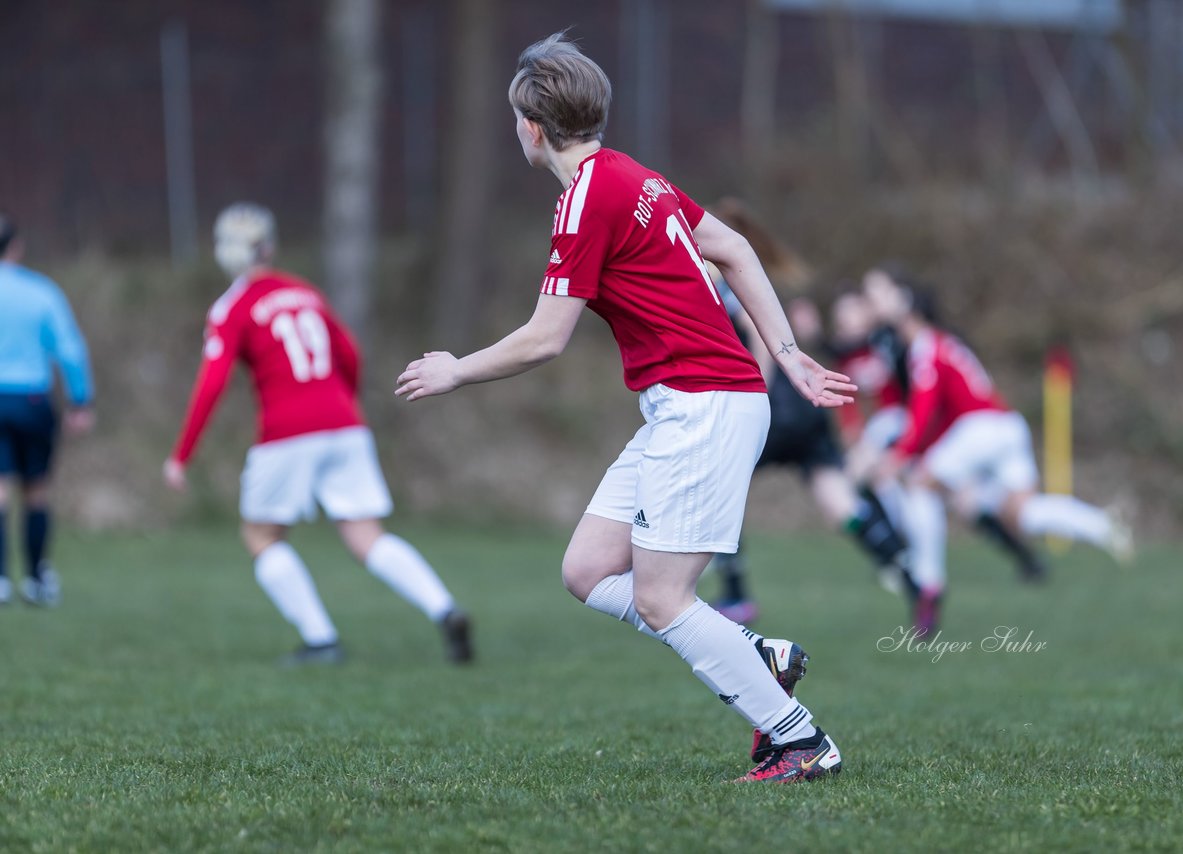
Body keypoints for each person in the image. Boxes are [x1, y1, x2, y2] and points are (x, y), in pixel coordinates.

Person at [395, 33, 852, 783]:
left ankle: (801, 741)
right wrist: (787, 349)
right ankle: (754, 656)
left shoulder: (583, 202)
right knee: (586, 570)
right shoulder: (632, 175)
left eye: (516, 117)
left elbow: (545, 339)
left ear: (532, 127)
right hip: (690, 404)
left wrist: (455, 371)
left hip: (704, 405)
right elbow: (733, 246)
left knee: (664, 599)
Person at [164, 203, 472, 666]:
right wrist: (342, 404)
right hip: (345, 425)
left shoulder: (233, 307)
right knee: (367, 536)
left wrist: (181, 456)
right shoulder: (305, 293)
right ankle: (444, 608)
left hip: (286, 433)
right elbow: (350, 354)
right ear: (268, 247)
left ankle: (321, 639)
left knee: (261, 536)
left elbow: (212, 382)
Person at [868, 274, 1133, 636]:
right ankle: (1102, 526)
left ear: (908, 305)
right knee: (1020, 515)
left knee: (919, 484)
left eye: (886, 294)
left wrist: (900, 453)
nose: (879, 302)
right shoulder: (945, 343)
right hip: (1007, 426)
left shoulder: (926, 346)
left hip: (982, 429)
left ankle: (928, 586)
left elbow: (923, 408)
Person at [703, 201, 911, 623]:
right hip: (804, 408)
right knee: (840, 503)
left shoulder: (724, 278)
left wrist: (755, 390)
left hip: (773, 408)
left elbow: (759, 339)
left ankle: (736, 592)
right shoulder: (747, 272)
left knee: (718, 487)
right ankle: (908, 571)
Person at [835, 269, 1047, 585]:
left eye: (874, 293)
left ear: (902, 297)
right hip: (922, 425)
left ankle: (905, 560)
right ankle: (902, 555)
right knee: (954, 498)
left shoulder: (914, 339)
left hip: (932, 426)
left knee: (941, 493)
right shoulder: (883, 338)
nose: (868, 302)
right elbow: (844, 356)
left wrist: (904, 451)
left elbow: (925, 396)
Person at [0, 214, 96, 606]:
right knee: (36, 490)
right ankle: (38, 577)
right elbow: (70, 350)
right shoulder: (41, 292)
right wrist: (81, 399)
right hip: (32, 400)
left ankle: (1, 579)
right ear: (16, 247)